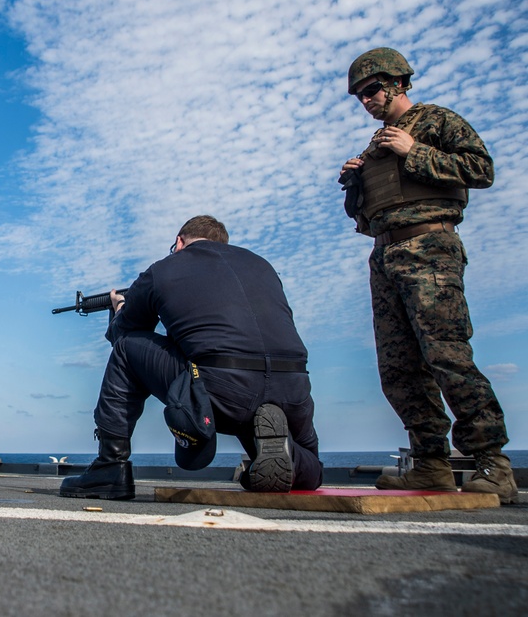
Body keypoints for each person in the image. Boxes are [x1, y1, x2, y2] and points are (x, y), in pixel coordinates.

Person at [339, 47, 517, 503]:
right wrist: (356, 183)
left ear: (398, 83)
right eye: (359, 94)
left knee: (447, 354)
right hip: (385, 254)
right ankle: (430, 464)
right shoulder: (375, 146)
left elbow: (481, 170)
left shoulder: (436, 122)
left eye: (372, 89)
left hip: (430, 247)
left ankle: (492, 463)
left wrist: (414, 151)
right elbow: (368, 219)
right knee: (398, 367)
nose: (366, 100)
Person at [59, 216, 323, 500]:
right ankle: (292, 458)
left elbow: (122, 334)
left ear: (180, 241)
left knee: (126, 348)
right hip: (294, 388)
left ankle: (110, 468)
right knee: (311, 468)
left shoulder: (163, 269)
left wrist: (120, 306)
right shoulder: (262, 266)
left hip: (222, 394)